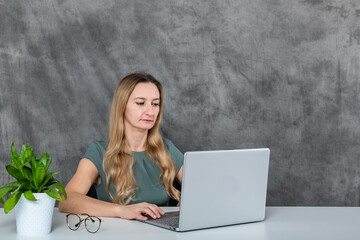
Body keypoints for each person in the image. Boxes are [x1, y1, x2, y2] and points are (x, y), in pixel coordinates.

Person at [59, 73, 183, 221]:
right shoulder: (99, 151)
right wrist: (121, 210)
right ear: (122, 105)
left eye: (155, 104)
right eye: (140, 103)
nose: (150, 112)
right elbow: (66, 200)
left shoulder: (167, 149)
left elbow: (203, 188)